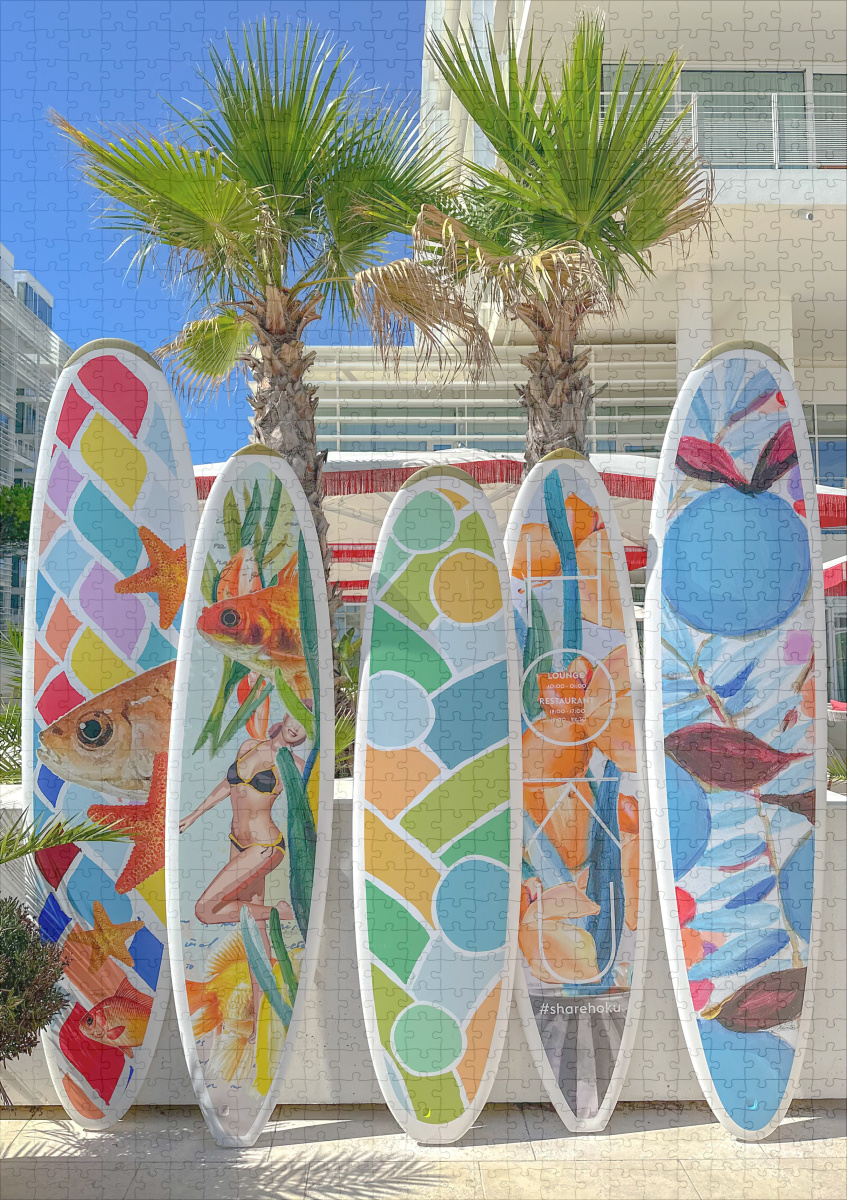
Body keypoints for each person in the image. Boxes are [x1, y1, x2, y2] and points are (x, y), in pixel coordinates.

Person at [179, 713, 308, 1033]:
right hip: (238, 843)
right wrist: (194, 815)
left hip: (265, 846)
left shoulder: (295, 765)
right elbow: (228, 785)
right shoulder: (250, 745)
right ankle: (261, 1017)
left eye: (305, 726)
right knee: (254, 931)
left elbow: (305, 811)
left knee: (205, 909)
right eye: (296, 718)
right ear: (286, 716)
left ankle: (280, 912)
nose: (297, 728)